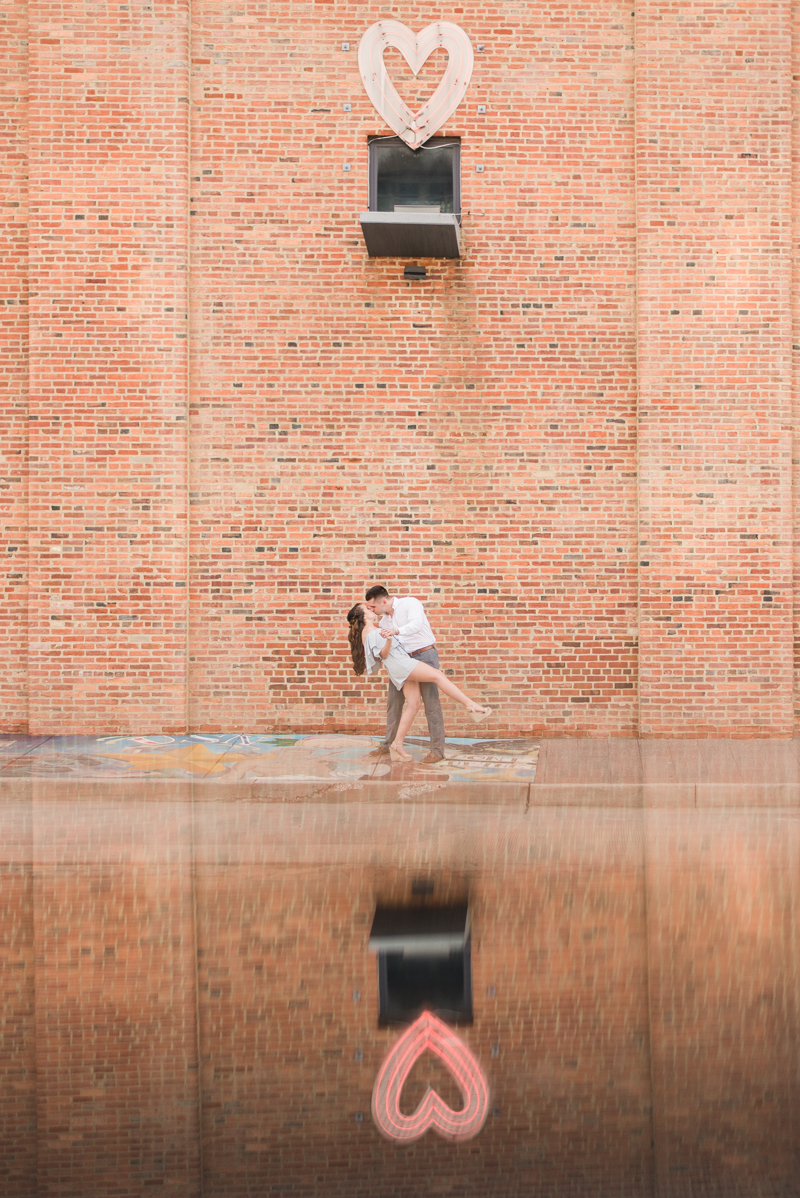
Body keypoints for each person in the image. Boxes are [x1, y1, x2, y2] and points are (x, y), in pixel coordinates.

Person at [346, 602, 491, 761]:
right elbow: (383, 655)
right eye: (367, 608)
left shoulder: (371, 631)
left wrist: (388, 639)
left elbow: (379, 657)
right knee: (438, 676)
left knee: (414, 704)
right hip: (403, 665)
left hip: (399, 666)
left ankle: (397, 744)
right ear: (364, 616)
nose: (371, 609)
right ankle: (471, 705)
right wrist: (389, 640)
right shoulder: (372, 632)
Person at [364, 585, 447, 764]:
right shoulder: (384, 621)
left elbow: (416, 625)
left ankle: (437, 751)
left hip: (424, 656)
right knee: (394, 703)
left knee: (431, 704)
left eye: (373, 607)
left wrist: (396, 631)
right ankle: (388, 745)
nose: (372, 610)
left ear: (384, 601)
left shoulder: (411, 603)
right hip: (402, 662)